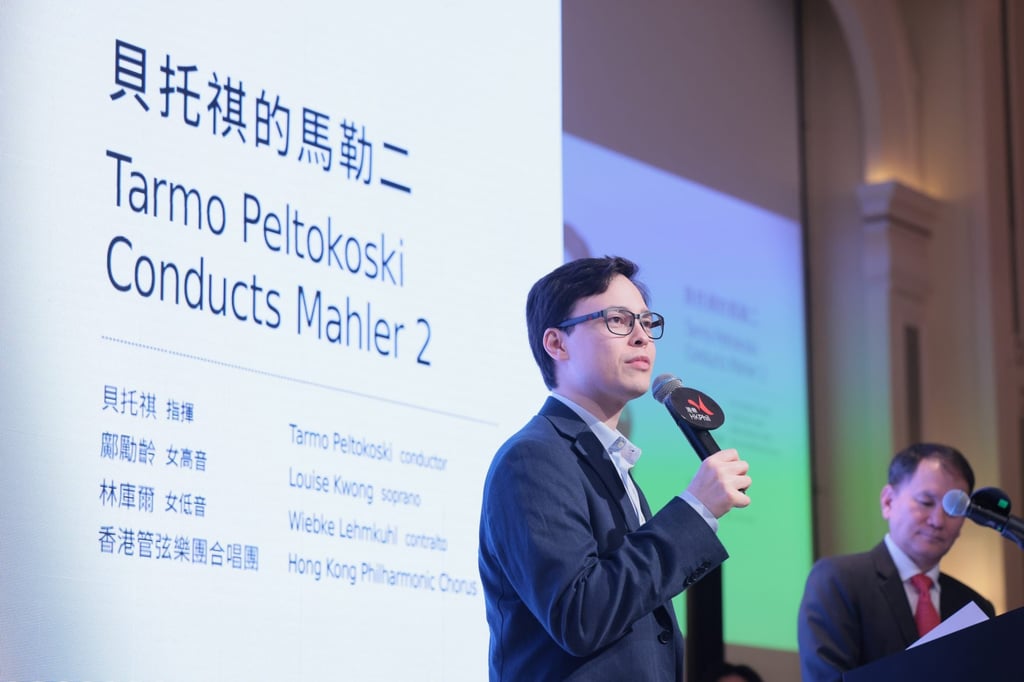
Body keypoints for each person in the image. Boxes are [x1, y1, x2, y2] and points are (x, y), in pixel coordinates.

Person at [478, 256, 752, 681]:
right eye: (619, 321)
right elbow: (580, 615)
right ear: (557, 343)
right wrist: (694, 510)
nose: (642, 337)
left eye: (647, 322)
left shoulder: (610, 463)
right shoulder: (532, 459)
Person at [797, 442, 996, 681]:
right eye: (926, 502)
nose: (938, 521)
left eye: (953, 509)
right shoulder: (839, 580)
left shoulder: (973, 606)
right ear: (888, 501)